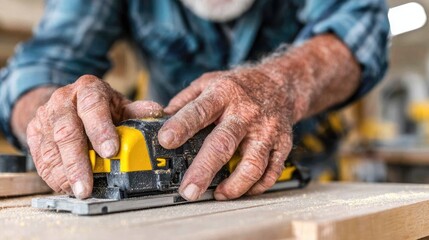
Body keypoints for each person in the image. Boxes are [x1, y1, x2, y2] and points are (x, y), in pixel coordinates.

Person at [0, 0, 389, 201]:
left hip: (299, 170)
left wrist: (280, 84)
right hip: (166, 181)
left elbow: (359, 31)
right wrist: (53, 115)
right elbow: (43, 63)